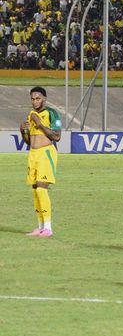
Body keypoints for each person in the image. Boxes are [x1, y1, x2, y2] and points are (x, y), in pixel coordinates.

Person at [20, 87, 61, 237]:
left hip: (46, 153)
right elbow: (29, 141)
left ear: (44, 98)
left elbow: (56, 137)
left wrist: (40, 124)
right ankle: (39, 227)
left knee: (41, 189)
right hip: (33, 154)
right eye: (32, 98)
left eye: (38, 98)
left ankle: (48, 228)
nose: (35, 101)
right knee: (34, 191)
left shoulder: (52, 113)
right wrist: (22, 131)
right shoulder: (31, 115)